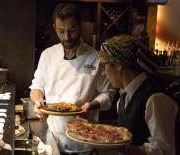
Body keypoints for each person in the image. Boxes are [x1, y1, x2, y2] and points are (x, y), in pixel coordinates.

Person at [29, 3, 115, 154]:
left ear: (80, 26)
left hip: (83, 140)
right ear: (55, 27)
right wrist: (37, 101)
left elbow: (108, 93)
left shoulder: (95, 57)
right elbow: (37, 87)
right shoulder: (47, 55)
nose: (67, 37)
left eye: (72, 30)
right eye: (61, 31)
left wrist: (91, 104)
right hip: (53, 136)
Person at [99, 34, 178, 155]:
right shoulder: (124, 95)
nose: (103, 73)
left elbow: (165, 149)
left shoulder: (155, 99)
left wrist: (128, 149)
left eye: (104, 66)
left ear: (119, 65)